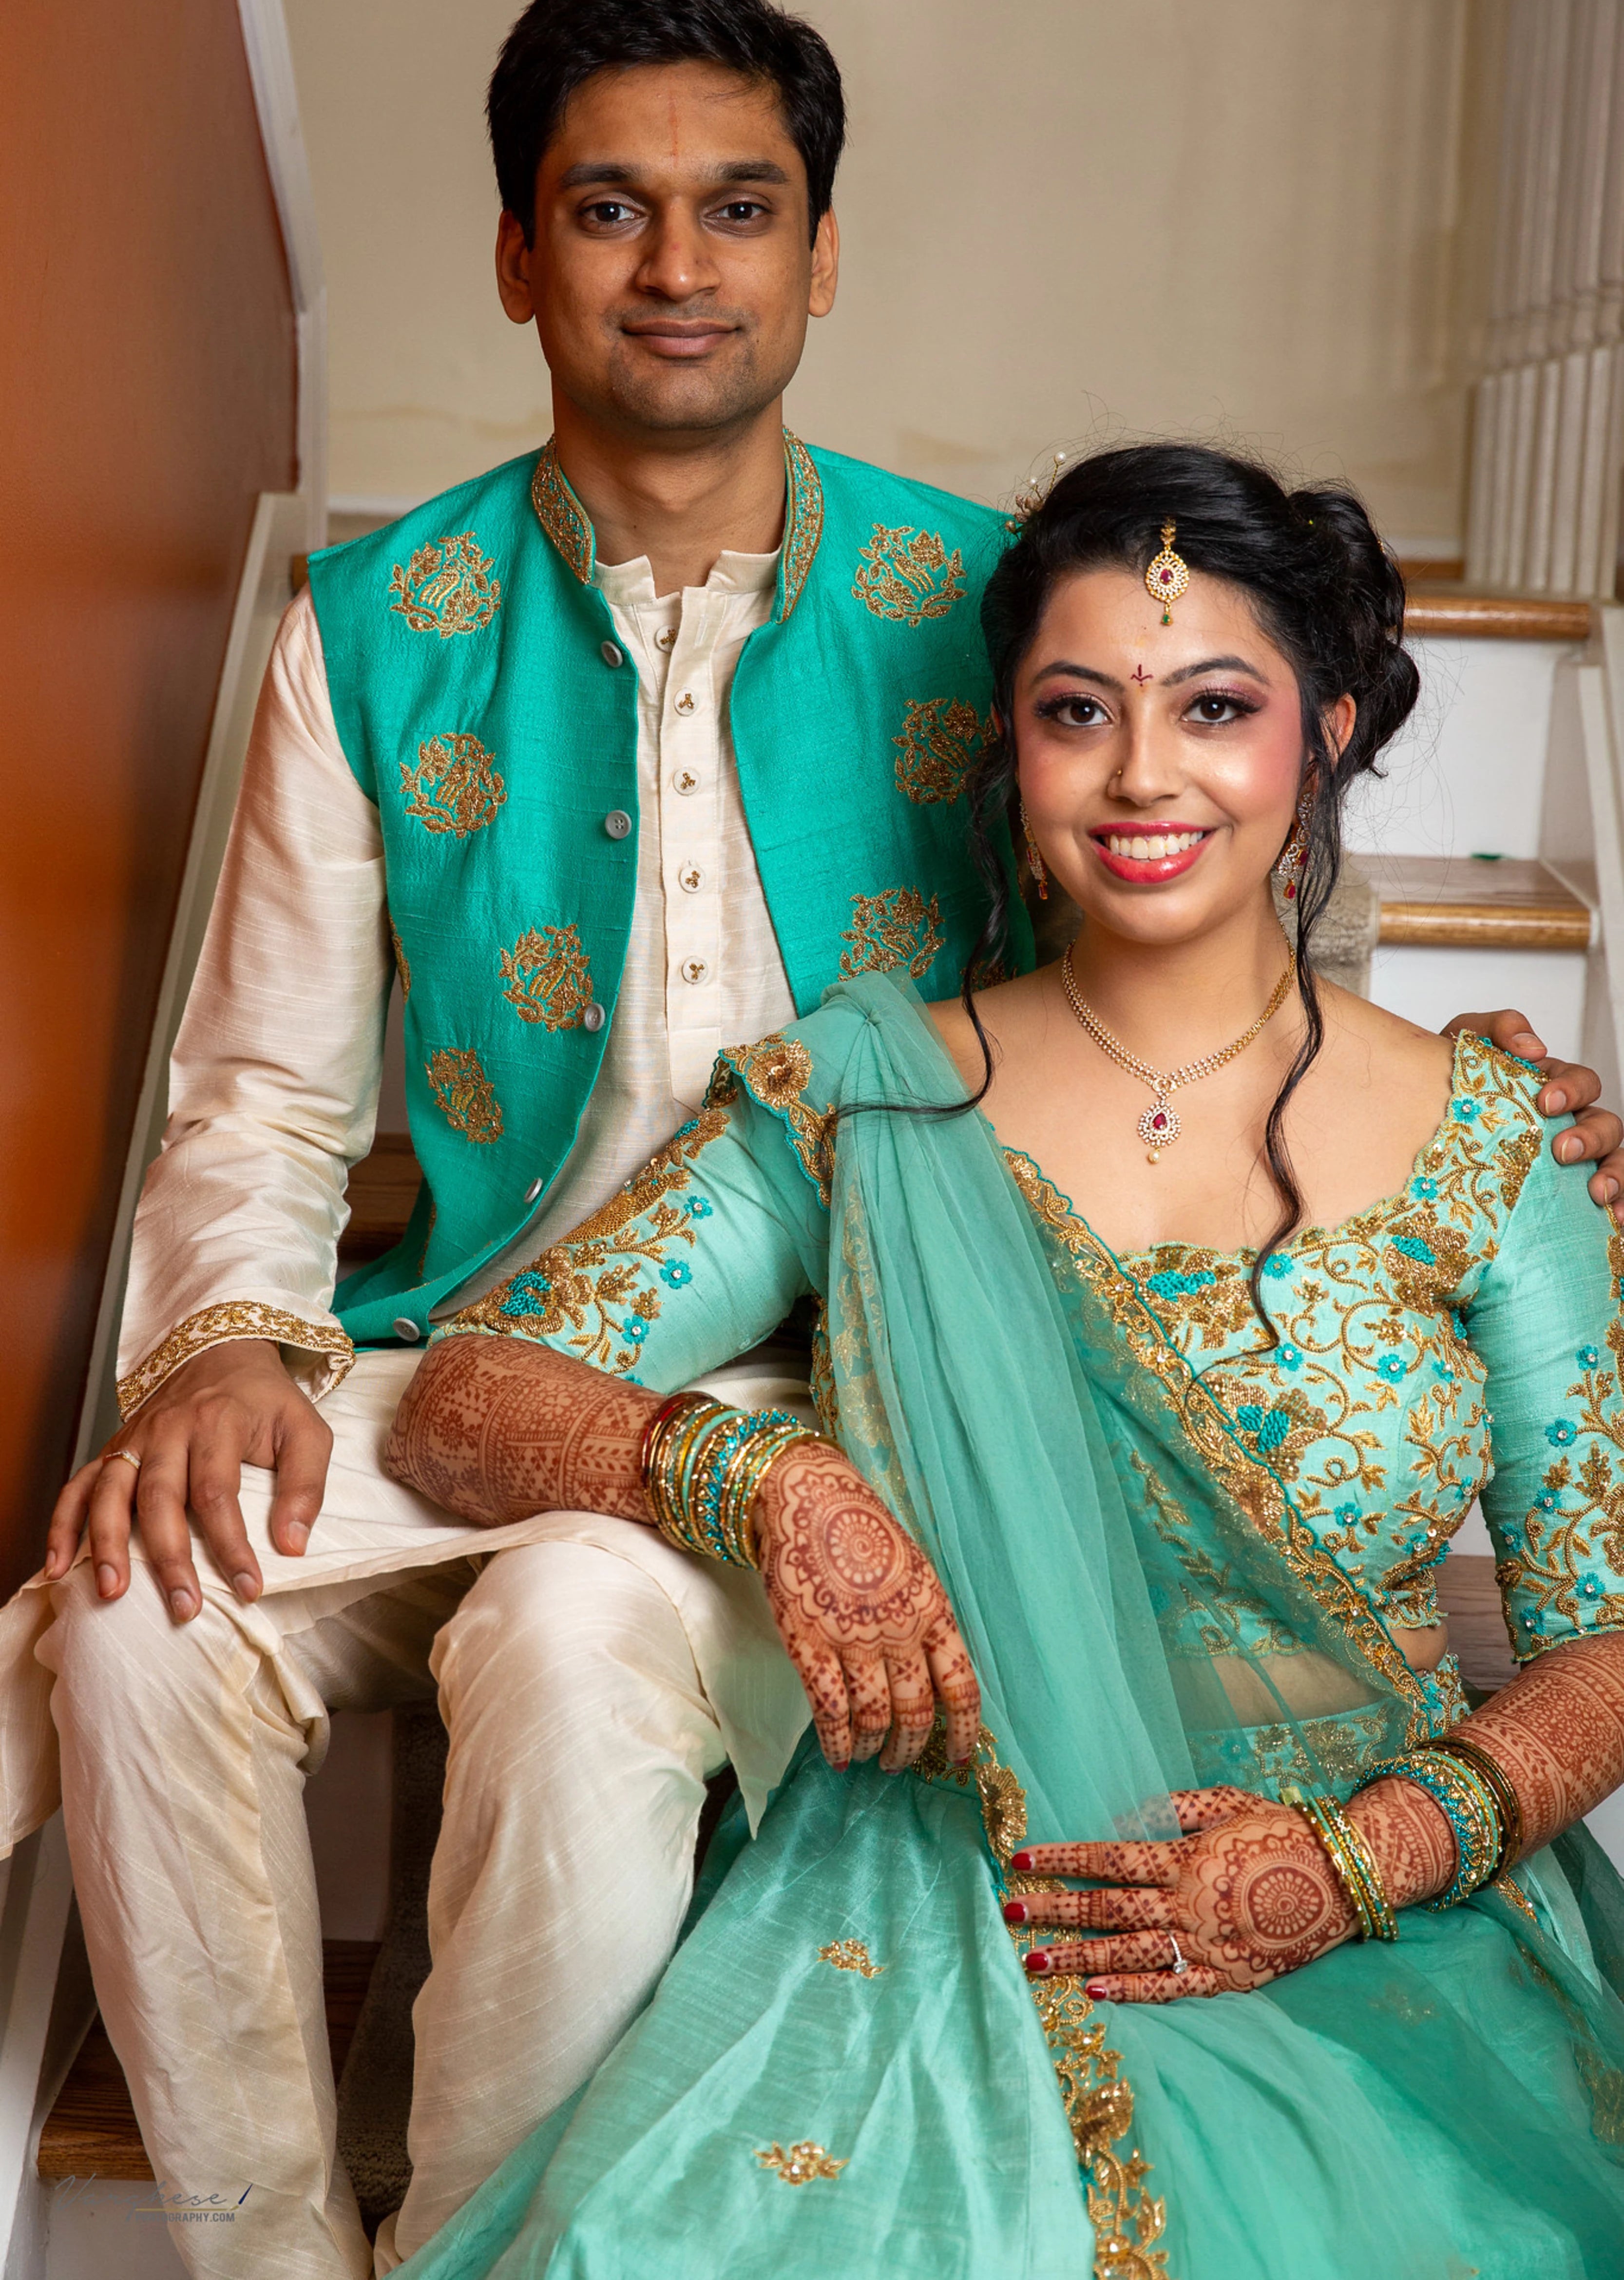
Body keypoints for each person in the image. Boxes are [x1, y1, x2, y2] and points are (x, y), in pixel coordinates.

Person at [0, 0, 1612, 2280]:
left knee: (570, 1637)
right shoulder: (372, 624)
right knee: (137, 1614)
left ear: (821, 253)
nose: (678, 270)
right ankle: (264, 2256)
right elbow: (256, 1082)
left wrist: (1493, 1105)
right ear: (515, 251)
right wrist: (221, 1342)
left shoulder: (990, 611)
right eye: (610, 212)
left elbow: (1207, 944)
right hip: (455, 1338)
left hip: (845, 1359)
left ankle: (480, 2234)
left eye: (739, 209)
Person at [380, 443, 1624, 2280]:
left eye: (1216, 707)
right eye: (1076, 711)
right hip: (948, 1876)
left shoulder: (1498, 1144)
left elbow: (1603, 1634)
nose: (1142, 776)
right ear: (1011, 747)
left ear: (1328, 733)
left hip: (1373, 1906)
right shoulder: (869, 1092)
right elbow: (470, 1386)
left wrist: (1356, 1859)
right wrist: (773, 1482)